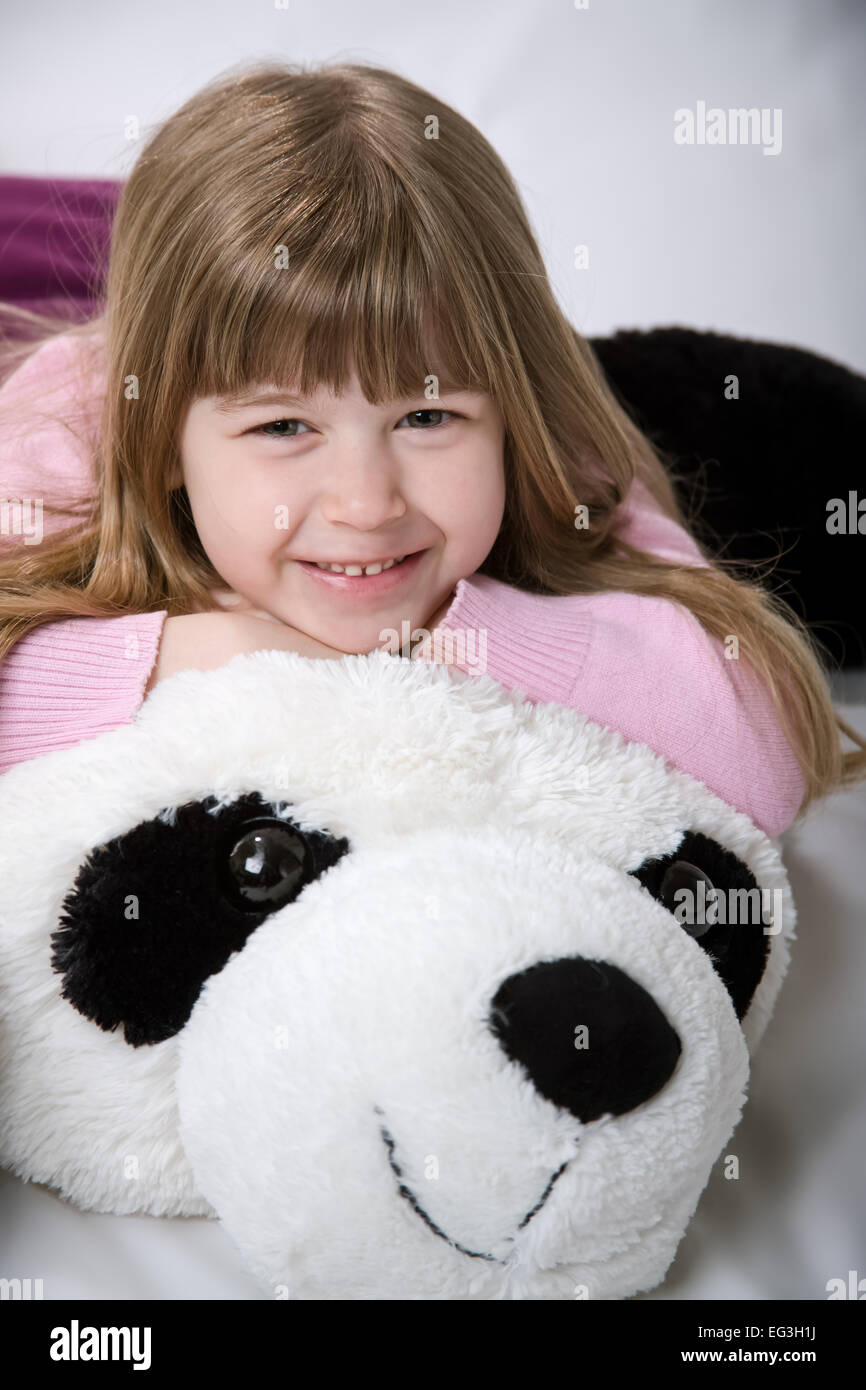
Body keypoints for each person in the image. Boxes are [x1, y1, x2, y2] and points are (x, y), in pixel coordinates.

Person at [1, 59, 863, 839]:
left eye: (426, 418)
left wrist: (465, 633)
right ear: (161, 448)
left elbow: (767, 748)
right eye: (283, 427)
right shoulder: (80, 418)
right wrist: (198, 652)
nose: (366, 503)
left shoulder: (554, 438)